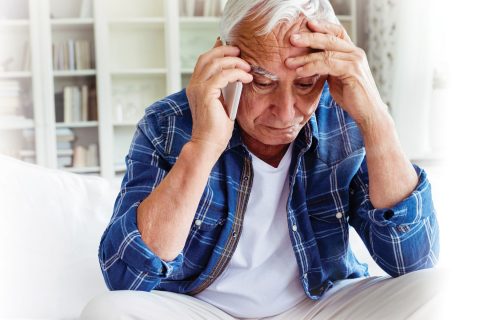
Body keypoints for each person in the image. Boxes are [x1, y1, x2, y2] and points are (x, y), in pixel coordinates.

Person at [81, 0, 442, 319]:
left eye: (305, 85)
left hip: (321, 302)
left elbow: (414, 262)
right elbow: (126, 278)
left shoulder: (346, 115)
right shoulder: (167, 123)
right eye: (263, 82)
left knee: (441, 291)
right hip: (204, 308)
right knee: (106, 312)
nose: (286, 112)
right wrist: (205, 144)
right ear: (224, 60)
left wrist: (376, 118)